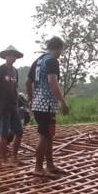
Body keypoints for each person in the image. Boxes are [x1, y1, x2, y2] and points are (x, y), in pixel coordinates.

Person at [27, 36, 69, 177]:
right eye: (60, 51)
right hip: (47, 106)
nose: (60, 54)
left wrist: (32, 99)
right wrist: (62, 101)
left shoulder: (38, 61)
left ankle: (50, 165)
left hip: (40, 105)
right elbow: (52, 81)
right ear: (57, 48)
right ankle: (39, 168)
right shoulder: (52, 61)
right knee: (44, 136)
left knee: (49, 135)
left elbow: (28, 82)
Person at [0, 45, 24, 164]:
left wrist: (19, 104)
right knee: (4, 133)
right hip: (3, 107)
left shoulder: (15, 71)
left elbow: (15, 89)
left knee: (19, 132)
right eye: (10, 55)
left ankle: (14, 157)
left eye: (15, 56)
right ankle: (4, 160)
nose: (13, 57)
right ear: (5, 56)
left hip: (14, 107)